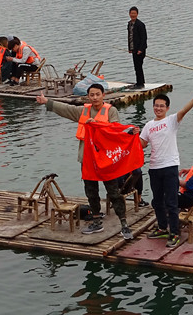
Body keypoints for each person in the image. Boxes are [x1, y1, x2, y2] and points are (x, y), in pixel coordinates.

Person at [36, 84, 137, 239]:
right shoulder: (83, 111)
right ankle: (96, 220)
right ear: (88, 96)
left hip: (105, 160)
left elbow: (116, 130)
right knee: (91, 191)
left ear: (103, 95)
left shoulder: (111, 111)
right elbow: (66, 109)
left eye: (97, 94)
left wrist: (97, 126)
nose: (95, 97)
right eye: (92, 95)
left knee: (114, 192)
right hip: (88, 159)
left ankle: (124, 224)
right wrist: (47, 102)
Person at [140, 90, 193, 247]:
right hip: (154, 167)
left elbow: (183, 111)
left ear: (167, 108)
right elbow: (140, 145)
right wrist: (129, 135)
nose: (158, 108)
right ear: (153, 107)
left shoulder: (171, 121)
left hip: (170, 167)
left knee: (171, 202)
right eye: (156, 106)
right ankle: (162, 227)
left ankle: (174, 233)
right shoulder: (148, 126)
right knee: (157, 201)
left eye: (162, 106)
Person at [127, 6, 147, 89]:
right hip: (134, 49)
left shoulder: (140, 24)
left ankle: (140, 83)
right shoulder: (130, 24)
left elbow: (144, 38)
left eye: (134, 13)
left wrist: (141, 49)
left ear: (137, 14)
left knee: (139, 66)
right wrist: (130, 48)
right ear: (129, 14)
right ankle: (139, 82)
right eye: (131, 13)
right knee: (136, 66)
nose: (133, 15)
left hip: (140, 50)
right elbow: (130, 37)